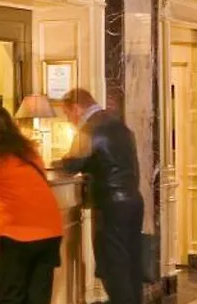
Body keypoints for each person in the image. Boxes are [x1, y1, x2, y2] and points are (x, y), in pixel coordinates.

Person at [0, 104, 66, 304]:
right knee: (39, 298)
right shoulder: (29, 152)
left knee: (11, 297)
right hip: (51, 230)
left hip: (17, 235)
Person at [57, 88, 144, 304]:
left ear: (76, 108)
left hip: (110, 205)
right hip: (133, 200)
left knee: (113, 266)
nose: (69, 120)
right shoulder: (118, 124)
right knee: (132, 264)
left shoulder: (90, 128)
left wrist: (56, 163)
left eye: (67, 114)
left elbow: (72, 164)